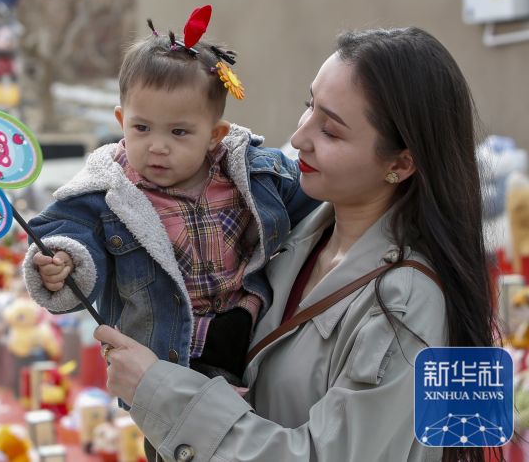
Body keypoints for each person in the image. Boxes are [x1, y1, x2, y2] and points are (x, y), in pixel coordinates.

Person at [96, 27, 496, 462]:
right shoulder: (289, 234)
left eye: (331, 131)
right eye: (309, 106)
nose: (301, 136)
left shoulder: (405, 304)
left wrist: (160, 393)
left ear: (399, 164)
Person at [22, 6, 318, 386]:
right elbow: (68, 227)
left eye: (179, 132)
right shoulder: (110, 191)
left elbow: (312, 196)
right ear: (121, 122)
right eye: (142, 128)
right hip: (167, 351)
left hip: (246, 330)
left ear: (214, 135)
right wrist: (64, 259)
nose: (157, 146)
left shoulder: (248, 172)